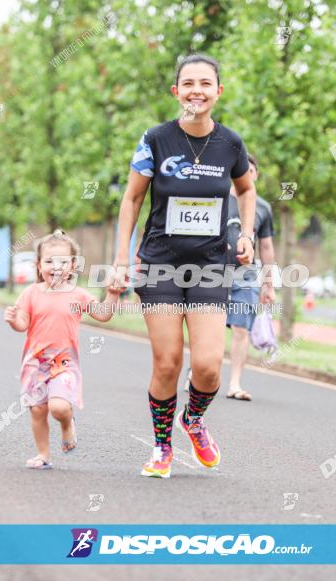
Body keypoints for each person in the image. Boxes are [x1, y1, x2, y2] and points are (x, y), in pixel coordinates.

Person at [111, 54, 258, 479]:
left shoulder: (231, 143)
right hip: (160, 264)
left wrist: (245, 234)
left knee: (210, 365)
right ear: (176, 91)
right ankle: (161, 447)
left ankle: (192, 420)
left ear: (218, 92)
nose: (197, 90)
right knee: (168, 362)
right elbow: (132, 199)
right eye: (188, 83)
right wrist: (123, 257)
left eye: (205, 83)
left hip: (212, 265)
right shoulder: (155, 139)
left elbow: (246, 189)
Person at [4, 230, 120, 470]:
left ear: (73, 265)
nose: (55, 267)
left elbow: (103, 314)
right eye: (48, 261)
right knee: (37, 410)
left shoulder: (78, 294)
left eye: (62, 262)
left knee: (58, 407)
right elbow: (23, 325)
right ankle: (43, 455)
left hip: (64, 363)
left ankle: (67, 424)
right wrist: (14, 320)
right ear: (38, 265)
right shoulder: (31, 293)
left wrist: (112, 294)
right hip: (35, 363)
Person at [223, 154, 277, 401]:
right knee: (206, 324)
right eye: (244, 169)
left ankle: (234, 383)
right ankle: (200, 372)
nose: (248, 174)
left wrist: (269, 284)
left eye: (252, 170)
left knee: (241, 328)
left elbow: (266, 247)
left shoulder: (263, 208)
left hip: (246, 274)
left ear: (256, 175)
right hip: (213, 271)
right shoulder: (218, 197)